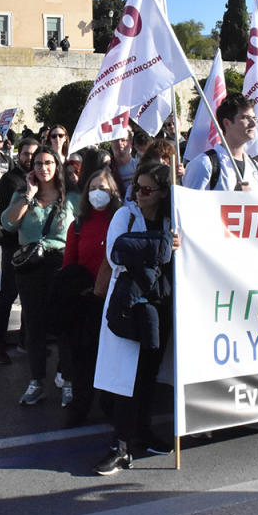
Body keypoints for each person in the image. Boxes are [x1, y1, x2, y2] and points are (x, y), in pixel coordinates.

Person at [94, 162, 179, 475]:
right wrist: (161, 247)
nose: (140, 195)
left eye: (147, 189)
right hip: (130, 306)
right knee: (124, 377)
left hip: (160, 307)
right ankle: (120, 445)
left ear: (161, 193)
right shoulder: (125, 216)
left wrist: (167, 250)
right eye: (136, 188)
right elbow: (117, 255)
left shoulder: (173, 220)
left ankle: (142, 432)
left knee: (148, 374)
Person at [1, 146, 73, 406]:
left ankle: (68, 380)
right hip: (30, 266)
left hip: (61, 264)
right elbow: (8, 223)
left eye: (49, 163)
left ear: (57, 165)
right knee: (34, 326)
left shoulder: (70, 197)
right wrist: (29, 195)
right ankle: (36, 382)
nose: (44, 168)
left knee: (65, 326)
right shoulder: (22, 193)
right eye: (39, 163)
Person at [60, 167, 122, 426]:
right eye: (93, 188)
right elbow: (68, 265)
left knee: (113, 359)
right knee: (83, 360)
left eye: (104, 188)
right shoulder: (78, 225)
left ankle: (111, 406)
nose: (98, 193)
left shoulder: (122, 220)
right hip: (87, 302)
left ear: (114, 192)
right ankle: (80, 406)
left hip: (116, 300)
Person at [0, 136, 39, 364]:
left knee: (31, 297)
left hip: (35, 246)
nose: (30, 158)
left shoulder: (42, 179)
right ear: (18, 155)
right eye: (26, 154)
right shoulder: (11, 181)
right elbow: (14, 216)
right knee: (8, 295)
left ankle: (25, 341)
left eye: (34, 154)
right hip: (13, 246)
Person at [182, 93, 258, 192]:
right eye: (246, 118)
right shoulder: (204, 164)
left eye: (254, 118)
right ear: (227, 123)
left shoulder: (255, 167)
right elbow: (190, 206)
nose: (253, 124)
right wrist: (235, 198)